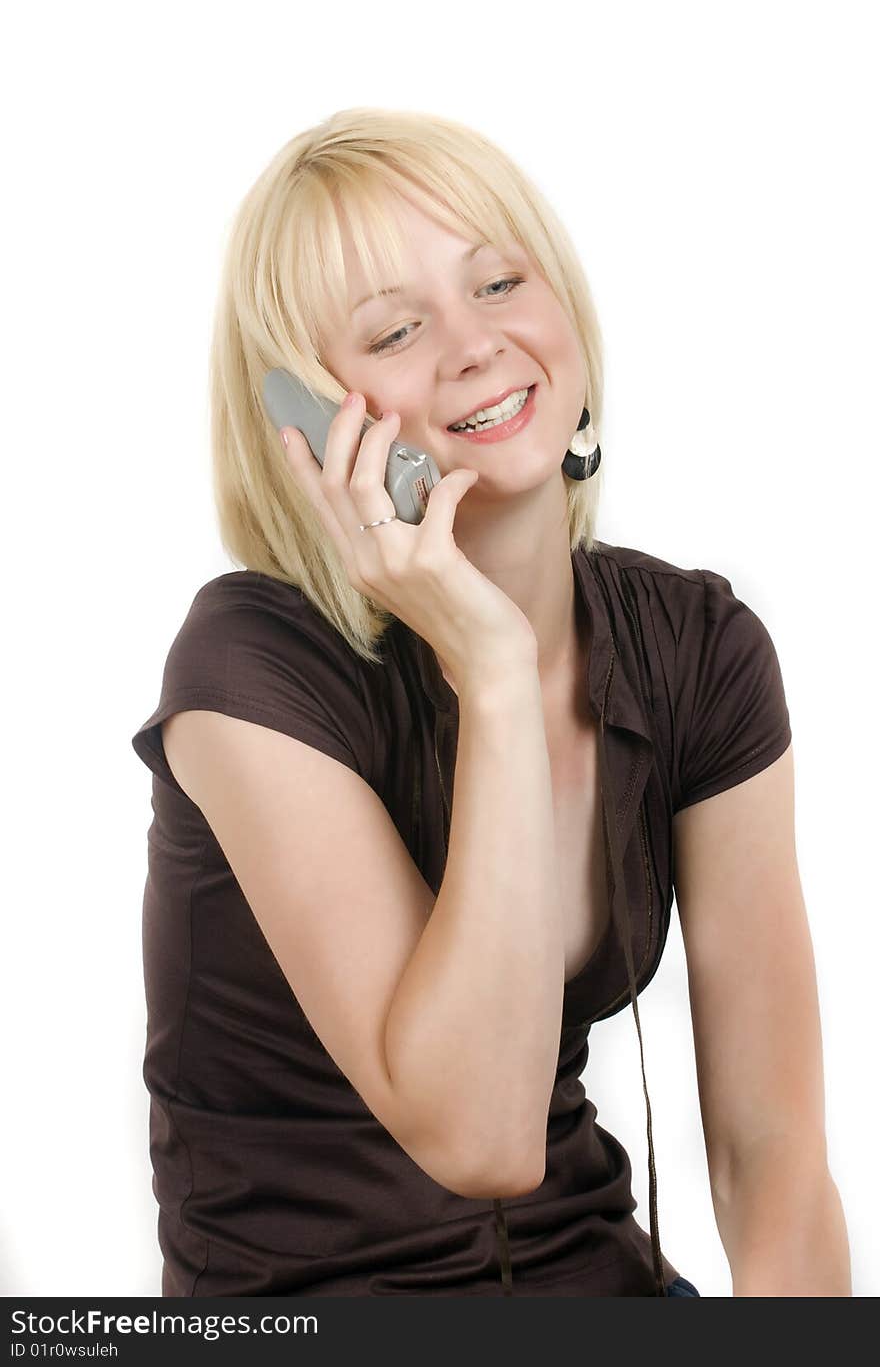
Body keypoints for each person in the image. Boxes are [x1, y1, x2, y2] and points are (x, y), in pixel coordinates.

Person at [131, 107, 850, 1297]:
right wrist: (500, 675)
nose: (474, 345)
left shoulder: (699, 650)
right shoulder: (248, 669)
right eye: (398, 329)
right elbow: (479, 1137)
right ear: (309, 420)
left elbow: (769, 1157)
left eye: (502, 281)